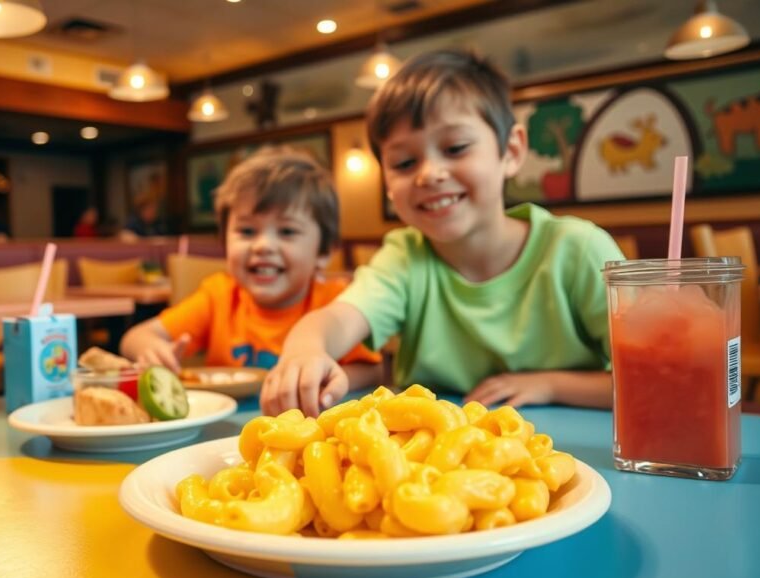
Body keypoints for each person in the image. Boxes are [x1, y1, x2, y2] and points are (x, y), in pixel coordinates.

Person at [261, 50, 623, 417]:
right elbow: (338, 319)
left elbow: (654, 379)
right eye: (404, 163)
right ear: (387, 183)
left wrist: (549, 384)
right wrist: (305, 351)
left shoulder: (578, 250)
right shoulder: (405, 258)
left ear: (511, 151)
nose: (429, 173)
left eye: (455, 148)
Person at [119, 147, 383, 391]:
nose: (263, 245)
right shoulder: (219, 296)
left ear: (324, 251)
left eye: (287, 231)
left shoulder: (334, 304)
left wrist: (328, 382)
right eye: (247, 231)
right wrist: (152, 349)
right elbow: (134, 337)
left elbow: (375, 371)